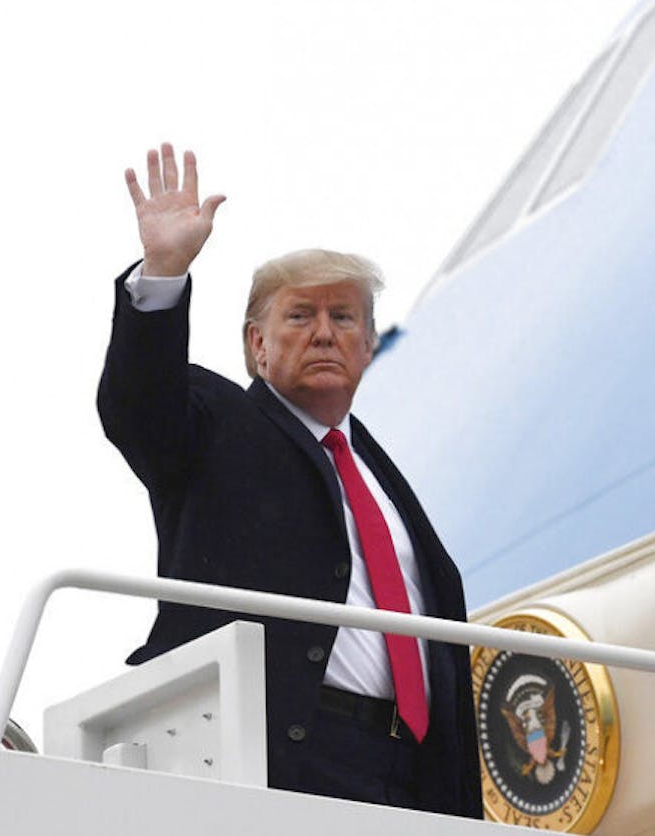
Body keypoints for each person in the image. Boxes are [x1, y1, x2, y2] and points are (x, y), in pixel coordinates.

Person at [98, 143, 481, 816]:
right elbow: (138, 407)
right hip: (281, 757)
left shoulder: (383, 480)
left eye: (343, 318)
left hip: (412, 776)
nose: (325, 334)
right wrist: (163, 272)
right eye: (300, 316)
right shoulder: (216, 424)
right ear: (257, 344)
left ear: (367, 345)